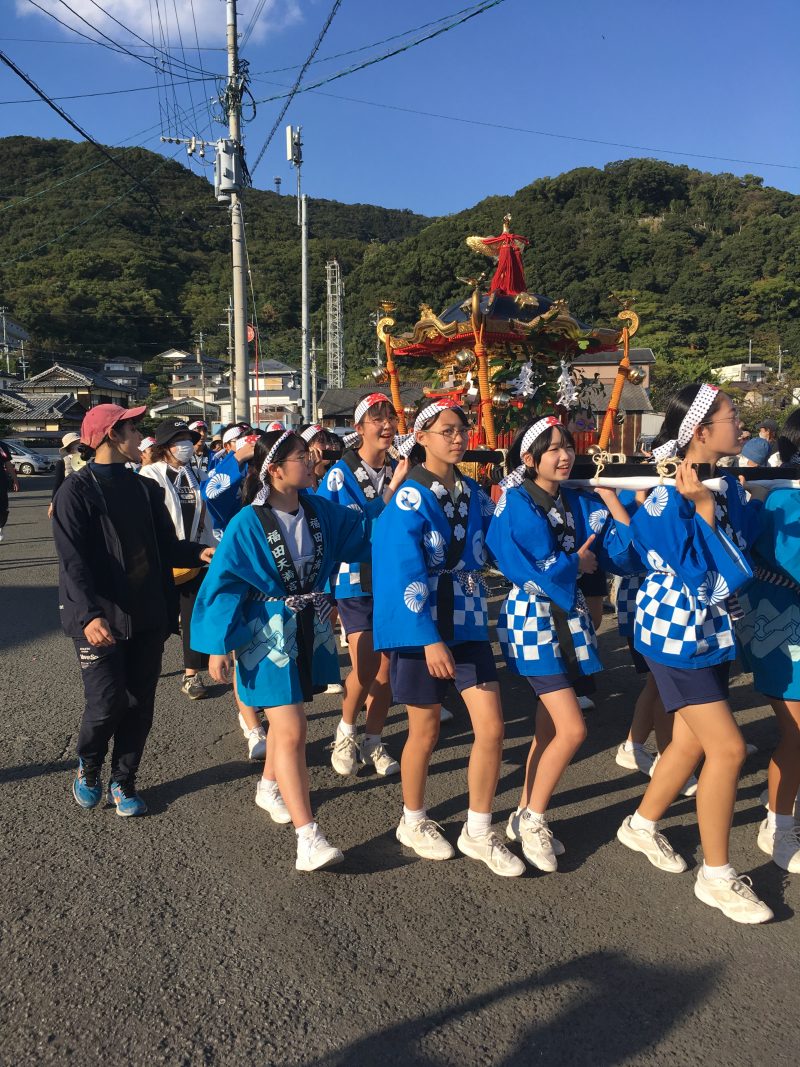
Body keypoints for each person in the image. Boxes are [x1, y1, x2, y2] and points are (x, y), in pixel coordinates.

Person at [616, 383, 773, 924]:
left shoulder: (723, 483)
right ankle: (718, 875)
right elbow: (712, 576)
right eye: (733, 418)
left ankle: (640, 825)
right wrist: (706, 510)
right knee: (726, 750)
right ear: (702, 432)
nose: (743, 429)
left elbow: (749, 537)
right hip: (675, 634)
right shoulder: (665, 498)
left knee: (687, 742)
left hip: (708, 633)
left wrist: (727, 501)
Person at [191, 429, 371, 872]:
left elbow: (365, 531)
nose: (311, 462)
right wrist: (218, 647)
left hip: (306, 624)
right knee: (291, 729)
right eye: (300, 458)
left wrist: (395, 486)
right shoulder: (247, 523)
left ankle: (268, 785)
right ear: (274, 470)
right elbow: (223, 583)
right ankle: (308, 837)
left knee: (289, 723)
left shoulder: (319, 510)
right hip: (262, 630)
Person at [372, 399, 524, 876]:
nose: (458, 438)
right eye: (447, 431)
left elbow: (499, 541)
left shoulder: (475, 493)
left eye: (462, 430)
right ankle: (412, 819)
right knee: (426, 729)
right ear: (421, 437)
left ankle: (478, 828)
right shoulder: (409, 496)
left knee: (492, 728)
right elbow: (400, 569)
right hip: (427, 624)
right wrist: (427, 639)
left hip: (470, 617)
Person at [487, 416, 635, 872]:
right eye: (552, 448)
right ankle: (532, 817)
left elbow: (624, 553)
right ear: (528, 460)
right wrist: (578, 562)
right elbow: (526, 569)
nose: (564, 454)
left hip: (566, 620)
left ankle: (525, 812)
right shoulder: (514, 502)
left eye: (567, 445)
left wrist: (615, 501)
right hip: (532, 621)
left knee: (550, 728)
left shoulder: (576, 499)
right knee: (573, 729)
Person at [51, 404, 214, 817]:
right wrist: (89, 615)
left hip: (147, 613)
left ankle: (124, 780)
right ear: (110, 436)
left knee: (140, 703)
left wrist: (200, 552)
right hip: (99, 619)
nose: (139, 435)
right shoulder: (76, 491)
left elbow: (166, 546)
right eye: (133, 428)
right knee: (106, 703)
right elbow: (73, 562)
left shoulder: (145, 488)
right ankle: (88, 765)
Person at [316, 393, 410, 779]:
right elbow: (339, 527)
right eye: (376, 419)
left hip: (392, 579)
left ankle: (374, 739)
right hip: (353, 579)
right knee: (366, 663)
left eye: (390, 417)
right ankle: (346, 731)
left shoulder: (400, 467)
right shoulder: (339, 474)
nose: (386, 425)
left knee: (388, 670)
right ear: (359, 429)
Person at [737, 407, 800, 873]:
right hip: (782, 629)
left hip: (784, 625)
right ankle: (778, 824)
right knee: (797, 735)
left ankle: (783, 797)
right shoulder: (781, 500)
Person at [139, 419, 218, 700]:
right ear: (164, 446)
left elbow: (203, 514)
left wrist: (210, 546)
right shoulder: (150, 473)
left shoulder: (191, 473)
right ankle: (143, 662)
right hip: (163, 558)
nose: (186, 444)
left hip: (194, 555)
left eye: (187, 438)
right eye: (178, 439)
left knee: (193, 615)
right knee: (161, 618)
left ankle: (191, 675)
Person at [0, 437, 20, 542]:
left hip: (1, 481)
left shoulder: (1, 446)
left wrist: (15, 480)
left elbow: (8, 464)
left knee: (2, 507)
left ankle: (0, 526)